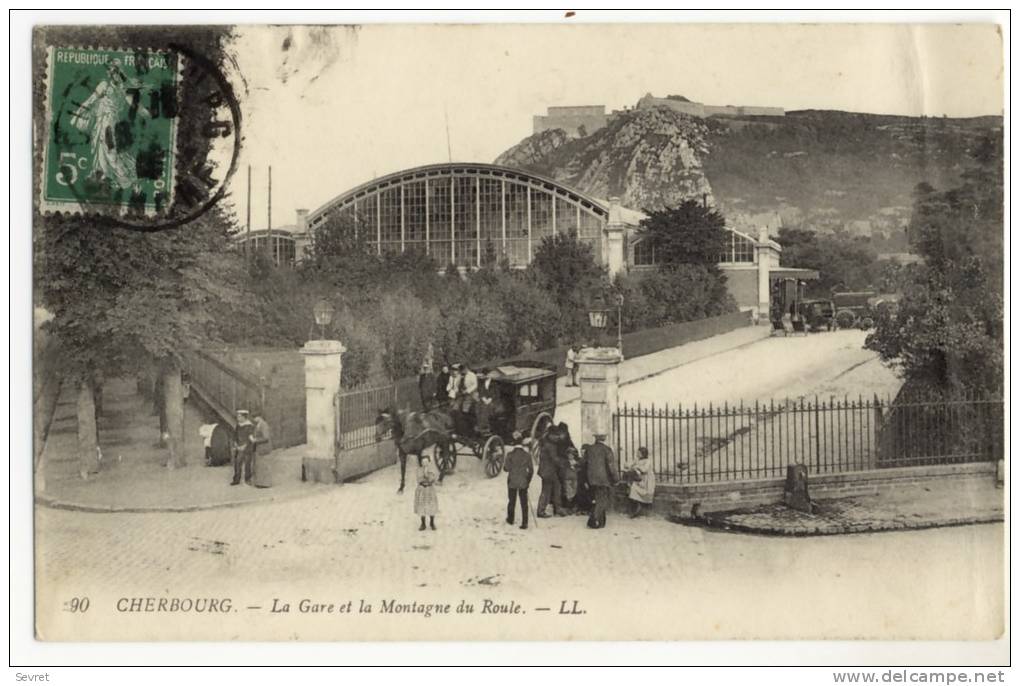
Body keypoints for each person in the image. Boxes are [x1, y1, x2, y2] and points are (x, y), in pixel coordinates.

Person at [585, 433, 618, 529]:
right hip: (603, 479)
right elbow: (611, 466)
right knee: (602, 500)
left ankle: (601, 521)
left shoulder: (589, 449)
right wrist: (616, 479)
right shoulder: (607, 449)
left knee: (597, 499)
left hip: (591, 479)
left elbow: (583, 463)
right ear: (604, 439)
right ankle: (593, 520)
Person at [504, 431, 533, 530]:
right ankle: (525, 523)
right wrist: (528, 481)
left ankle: (510, 519)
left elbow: (506, 468)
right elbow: (531, 470)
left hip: (512, 481)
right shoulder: (527, 455)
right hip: (523, 481)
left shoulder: (510, 455)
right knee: (524, 503)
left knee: (511, 501)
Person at [536, 434, 565, 517]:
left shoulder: (545, 445)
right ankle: (541, 511)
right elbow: (555, 459)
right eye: (556, 436)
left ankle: (557, 509)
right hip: (549, 472)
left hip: (546, 471)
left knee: (556, 488)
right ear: (551, 437)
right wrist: (563, 463)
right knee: (547, 491)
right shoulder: (551, 446)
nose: (558, 437)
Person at [624, 446, 656, 518]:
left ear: (643, 454)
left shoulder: (648, 461)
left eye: (639, 453)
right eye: (637, 453)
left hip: (647, 480)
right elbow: (629, 465)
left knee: (644, 492)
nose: (637, 454)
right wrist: (628, 466)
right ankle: (636, 508)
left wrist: (637, 467)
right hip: (639, 479)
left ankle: (640, 508)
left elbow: (644, 470)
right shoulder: (637, 460)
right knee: (633, 489)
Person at [414, 454, 440, 531]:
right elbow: (419, 480)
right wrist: (425, 476)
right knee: (422, 506)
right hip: (422, 489)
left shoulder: (432, 470)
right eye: (423, 462)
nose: (424, 463)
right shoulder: (419, 470)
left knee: (431, 505)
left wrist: (427, 475)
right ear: (421, 463)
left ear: (429, 462)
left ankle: (432, 523)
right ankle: (423, 524)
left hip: (430, 490)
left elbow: (432, 479)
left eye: (426, 462)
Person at [231, 410, 255, 486]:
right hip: (239, 447)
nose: (238, 418)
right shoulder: (238, 425)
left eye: (239, 416)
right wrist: (235, 443)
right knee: (237, 463)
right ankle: (236, 479)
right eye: (238, 416)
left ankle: (247, 479)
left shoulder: (250, 426)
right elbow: (235, 435)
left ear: (244, 417)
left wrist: (244, 446)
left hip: (247, 448)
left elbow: (250, 438)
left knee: (247, 464)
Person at [251, 413, 274, 488]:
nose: (254, 419)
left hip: (263, 448)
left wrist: (255, 440)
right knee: (260, 466)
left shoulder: (263, 425)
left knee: (264, 466)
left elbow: (266, 437)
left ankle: (265, 483)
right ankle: (260, 483)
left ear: (259, 417)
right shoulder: (259, 424)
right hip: (259, 448)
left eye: (254, 417)